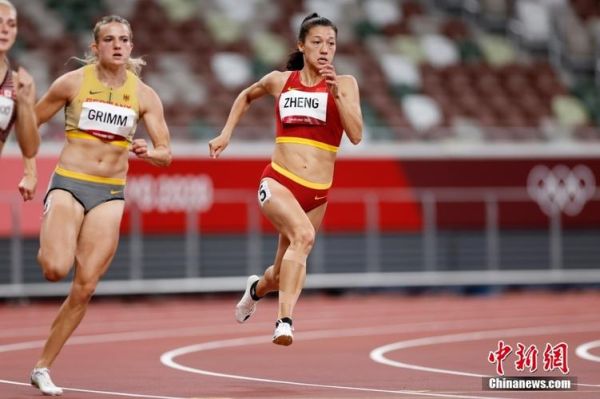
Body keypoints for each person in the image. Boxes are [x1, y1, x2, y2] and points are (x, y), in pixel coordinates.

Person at [30, 15, 171, 395]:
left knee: (86, 286)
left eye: (124, 39)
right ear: (95, 48)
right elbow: (30, 124)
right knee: (55, 269)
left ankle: (43, 367)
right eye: (109, 40)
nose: (118, 45)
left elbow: (165, 153)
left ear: (131, 45)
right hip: (70, 183)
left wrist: (148, 151)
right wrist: (29, 170)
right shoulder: (72, 83)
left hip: (109, 192)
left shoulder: (144, 95)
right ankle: (53, 237)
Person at [209, 13, 362, 346]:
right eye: (317, 42)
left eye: (331, 43)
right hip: (278, 181)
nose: (325, 50)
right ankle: (284, 321)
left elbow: (357, 135)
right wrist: (225, 134)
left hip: (317, 194)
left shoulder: (346, 84)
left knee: (280, 274)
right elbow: (246, 96)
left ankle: (256, 289)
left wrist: (336, 95)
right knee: (303, 238)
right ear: (301, 45)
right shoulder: (281, 81)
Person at [0, 0, 40, 202]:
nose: (5, 29)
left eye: (11, 24)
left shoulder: (19, 84)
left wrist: (30, 173)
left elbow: (30, 147)